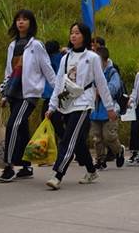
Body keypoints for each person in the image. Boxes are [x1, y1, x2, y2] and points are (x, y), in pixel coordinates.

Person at [44, 22, 117, 190]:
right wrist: (52, 106)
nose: (73, 35)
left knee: (68, 138)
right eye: (72, 33)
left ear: (84, 36)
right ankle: (91, 171)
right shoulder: (66, 58)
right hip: (67, 102)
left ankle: (57, 175)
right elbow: (58, 84)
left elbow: (101, 82)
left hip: (83, 103)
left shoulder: (92, 58)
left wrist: (109, 107)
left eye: (77, 33)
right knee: (78, 142)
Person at [0, 10, 56, 182]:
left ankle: (8, 166)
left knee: (13, 125)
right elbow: (9, 72)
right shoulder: (12, 45)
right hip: (14, 92)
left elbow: (48, 70)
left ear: (31, 23)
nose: (21, 22)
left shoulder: (36, 45)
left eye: (25, 19)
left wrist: (59, 91)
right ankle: (26, 165)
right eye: (18, 19)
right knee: (22, 128)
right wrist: (4, 93)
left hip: (29, 94)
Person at [90, 46, 126, 170]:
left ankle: (118, 151)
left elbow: (113, 88)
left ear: (104, 60)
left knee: (109, 136)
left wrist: (100, 91)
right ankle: (100, 159)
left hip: (109, 109)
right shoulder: (92, 72)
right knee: (97, 137)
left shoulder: (112, 72)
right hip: (95, 109)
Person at [41, 40, 65, 140]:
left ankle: (49, 144)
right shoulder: (61, 58)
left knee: (45, 121)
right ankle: (63, 142)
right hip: (60, 96)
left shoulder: (46, 59)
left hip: (49, 96)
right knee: (57, 124)